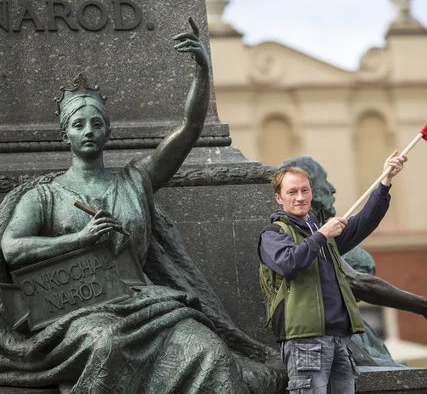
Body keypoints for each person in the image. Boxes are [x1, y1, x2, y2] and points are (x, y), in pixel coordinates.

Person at [0, 20, 285, 394]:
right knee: (107, 344)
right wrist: (80, 240)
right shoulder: (45, 194)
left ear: (108, 132)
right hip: (76, 311)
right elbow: (12, 248)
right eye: (78, 124)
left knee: (209, 350)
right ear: (64, 133)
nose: (88, 130)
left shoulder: (135, 181)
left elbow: (189, 130)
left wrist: (202, 71)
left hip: (143, 301)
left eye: (96, 123)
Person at [279, 155, 427, 394]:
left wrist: (385, 182)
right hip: (307, 345)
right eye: (323, 181)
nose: (332, 188)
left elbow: (363, 223)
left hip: (334, 343)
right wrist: (424, 306)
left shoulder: (318, 235)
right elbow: (355, 281)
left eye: (305, 189)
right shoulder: (279, 234)